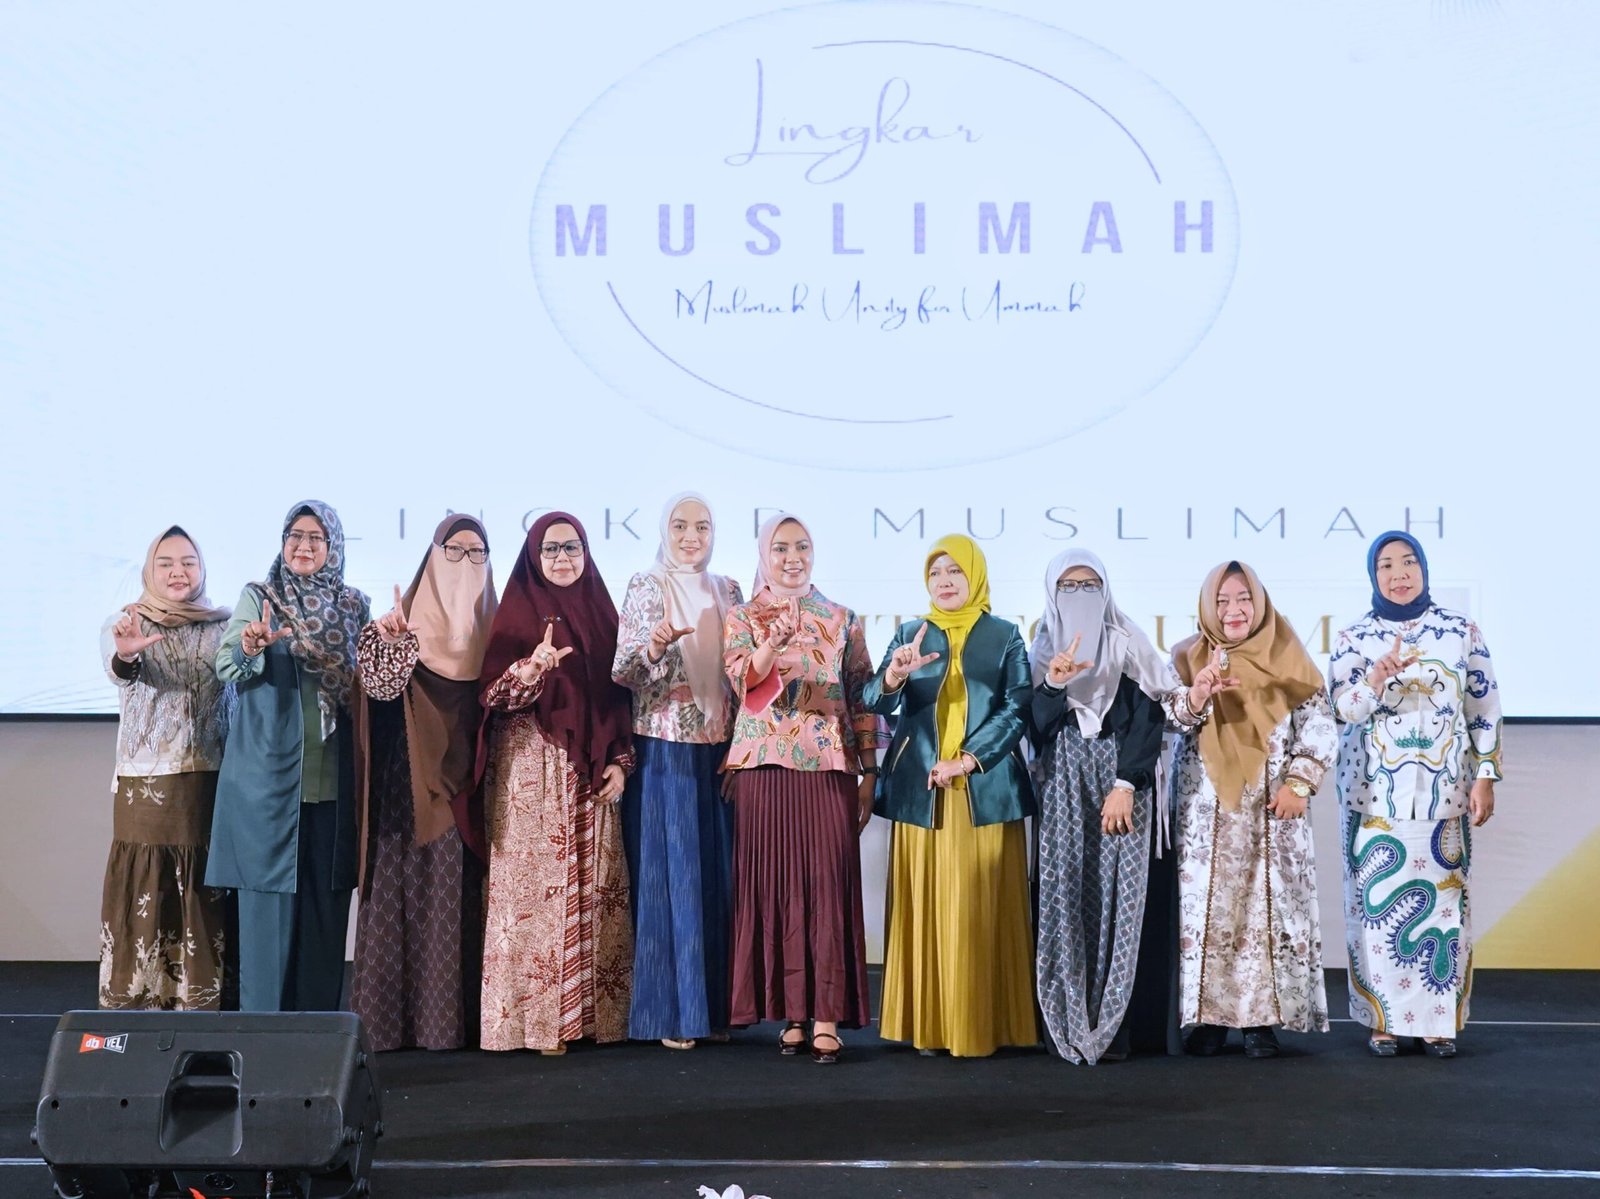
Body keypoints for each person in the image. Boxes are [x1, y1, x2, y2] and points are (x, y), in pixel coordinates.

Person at [1328, 532, 1502, 1058]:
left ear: (1423, 569)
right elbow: (1341, 708)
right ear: (1373, 575)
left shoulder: (1460, 631)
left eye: (1408, 562)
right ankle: (1383, 1022)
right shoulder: (1354, 637)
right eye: (1385, 565)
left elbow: (1484, 707)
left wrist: (1485, 775)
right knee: (1376, 910)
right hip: (1373, 797)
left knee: (1444, 908)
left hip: (1445, 793)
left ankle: (1437, 1023)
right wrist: (1374, 680)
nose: (1398, 573)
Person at [864, 533, 1036, 1057]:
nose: (944, 581)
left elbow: (1017, 707)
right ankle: (929, 1026)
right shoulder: (910, 634)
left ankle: (982, 1024)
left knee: (979, 909)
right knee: (927, 911)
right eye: (936, 572)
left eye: (955, 571)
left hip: (983, 790)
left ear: (974, 576)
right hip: (923, 793)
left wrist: (967, 759)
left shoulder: (1005, 635)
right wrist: (894, 675)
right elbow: (873, 699)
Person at [722, 513, 886, 1064]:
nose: (792, 558)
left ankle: (826, 1016)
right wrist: (770, 646)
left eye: (802, 547)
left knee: (825, 888)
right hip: (763, 768)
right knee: (775, 888)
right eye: (781, 548)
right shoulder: (742, 616)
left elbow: (862, 698)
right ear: (764, 553)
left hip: (828, 768)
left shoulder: (842, 618)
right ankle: (792, 1013)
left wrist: (870, 772)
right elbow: (743, 683)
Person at [469, 512, 634, 1054]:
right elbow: (492, 699)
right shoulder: (517, 613)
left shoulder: (603, 614)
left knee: (594, 891)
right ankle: (538, 1026)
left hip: (591, 777)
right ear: (533, 557)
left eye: (572, 548)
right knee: (533, 899)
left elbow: (619, 700)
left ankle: (591, 1021)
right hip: (531, 777)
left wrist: (620, 762)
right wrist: (531, 669)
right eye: (551, 549)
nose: (563, 558)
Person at [1166, 560, 1335, 1059]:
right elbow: (1170, 720)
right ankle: (1211, 1021)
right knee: (1208, 912)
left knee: (1267, 911)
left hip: (1272, 807)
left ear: (1259, 602)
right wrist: (1197, 694)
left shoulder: (1286, 652)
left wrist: (1300, 783)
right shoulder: (1188, 655)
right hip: (1206, 813)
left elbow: (1319, 722)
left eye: (1243, 599)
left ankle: (1261, 1023)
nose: (1233, 610)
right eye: (1221, 601)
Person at [209, 500, 369, 1012]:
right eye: (295, 536)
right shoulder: (261, 598)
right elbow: (226, 666)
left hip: (333, 787)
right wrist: (250, 647)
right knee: (265, 923)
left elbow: (368, 687)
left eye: (316, 537)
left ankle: (316, 1041)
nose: (304, 546)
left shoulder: (354, 606)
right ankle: (260, 1041)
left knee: (325, 919)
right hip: (268, 787)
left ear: (333, 547)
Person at [350, 515, 498, 1051]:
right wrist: (394, 648)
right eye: (453, 551)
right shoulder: (397, 624)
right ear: (433, 555)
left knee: (459, 892)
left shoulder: (498, 629)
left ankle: (449, 1026)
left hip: (469, 782)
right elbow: (378, 693)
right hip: (410, 781)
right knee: (408, 887)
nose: (465, 562)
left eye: (477, 553)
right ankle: (391, 1024)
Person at [1029, 549, 1173, 1063]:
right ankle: (1065, 1021)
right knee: (1065, 897)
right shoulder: (1042, 645)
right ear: (1052, 593)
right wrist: (1054, 683)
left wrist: (1125, 783)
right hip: (1062, 782)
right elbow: (1036, 727)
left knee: (1120, 904)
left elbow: (1150, 715)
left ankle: (1113, 1029)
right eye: (1068, 587)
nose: (1080, 595)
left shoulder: (1127, 640)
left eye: (1091, 586)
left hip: (1121, 783)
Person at [612, 493, 742, 1050]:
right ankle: (670, 1013)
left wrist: (740, 749)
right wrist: (656, 646)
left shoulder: (728, 590)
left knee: (715, 878)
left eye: (702, 526)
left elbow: (743, 677)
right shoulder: (647, 585)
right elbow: (623, 670)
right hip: (665, 749)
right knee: (672, 879)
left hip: (719, 750)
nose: (692, 536)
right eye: (681, 525)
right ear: (665, 530)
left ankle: (711, 1012)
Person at [98, 525, 234, 1010]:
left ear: (202, 569)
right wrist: (126, 655)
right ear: (149, 570)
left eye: (188, 563)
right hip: (147, 785)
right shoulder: (127, 621)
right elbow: (119, 669)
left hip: (212, 780)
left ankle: (202, 1001)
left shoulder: (224, 626)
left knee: (204, 890)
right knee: (148, 890)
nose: (179, 572)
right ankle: (140, 1006)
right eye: (166, 563)